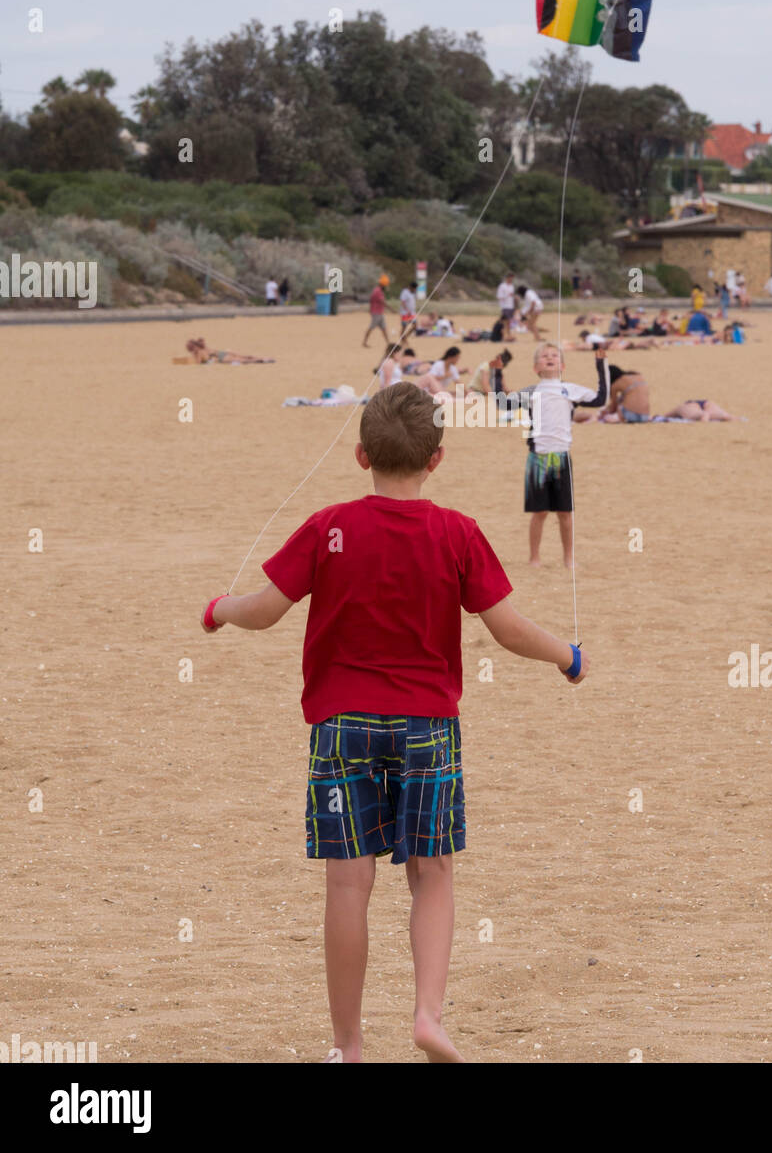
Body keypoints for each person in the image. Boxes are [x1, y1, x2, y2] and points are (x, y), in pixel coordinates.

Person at [200, 383, 589, 1064]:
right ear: (435, 460)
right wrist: (568, 656)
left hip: (342, 725)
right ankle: (427, 1017)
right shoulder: (455, 531)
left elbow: (264, 610)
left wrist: (219, 608)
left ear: (360, 455)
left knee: (349, 882)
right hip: (427, 729)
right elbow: (507, 630)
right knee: (431, 871)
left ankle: (348, 1048)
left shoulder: (330, 527)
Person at [516, 343, 608, 568]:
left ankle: (568, 558)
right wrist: (497, 374)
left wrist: (600, 364)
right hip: (538, 457)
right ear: (536, 367)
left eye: (554, 356)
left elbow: (600, 399)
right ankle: (534, 557)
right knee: (539, 512)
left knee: (565, 513)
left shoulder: (570, 389)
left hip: (562, 458)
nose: (549, 358)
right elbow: (501, 402)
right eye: (544, 356)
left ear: (562, 365)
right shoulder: (531, 392)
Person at [185, 338, 275, 364]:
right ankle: (264, 358)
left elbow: (199, 362)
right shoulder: (204, 348)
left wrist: (194, 355)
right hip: (223, 352)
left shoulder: (200, 352)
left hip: (220, 357)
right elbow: (202, 340)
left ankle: (262, 360)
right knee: (245, 356)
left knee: (243, 360)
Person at [362, 276, 390, 348]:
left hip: (379, 312)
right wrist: (392, 309)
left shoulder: (377, 290)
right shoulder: (378, 291)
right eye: (386, 285)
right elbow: (382, 302)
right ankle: (364, 342)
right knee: (371, 327)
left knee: (384, 328)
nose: (386, 287)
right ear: (383, 285)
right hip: (376, 312)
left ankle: (388, 343)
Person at [497, 272, 516, 341]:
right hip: (505, 306)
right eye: (510, 277)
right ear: (507, 278)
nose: (511, 279)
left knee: (508, 322)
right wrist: (508, 295)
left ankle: (509, 336)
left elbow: (512, 296)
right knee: (505, 322)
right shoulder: (502, 286)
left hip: (511, 306)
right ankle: (503, 337)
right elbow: (499, 297)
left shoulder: (512, 286)